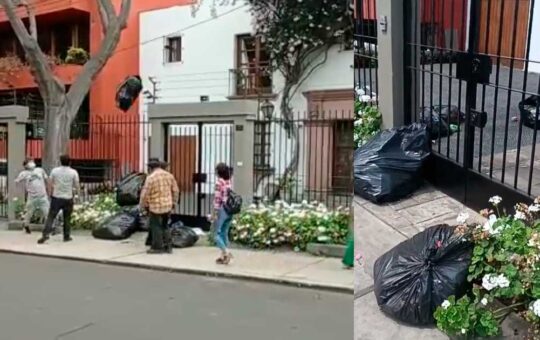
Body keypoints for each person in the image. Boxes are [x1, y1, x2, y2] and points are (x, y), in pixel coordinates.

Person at [139, 158, 179, 254]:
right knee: (165, 226)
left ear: (150, 168)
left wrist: (142, 205)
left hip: (155, 206)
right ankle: (168, 247)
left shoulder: (151, 177)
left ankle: (157, 247)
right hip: (167, 205)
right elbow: (176, 190)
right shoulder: (169, 175)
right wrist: (174, 202)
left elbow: (145, 194)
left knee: (156, 226)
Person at [38, 155, 80, 244]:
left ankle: (45, 234)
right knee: (67, 218)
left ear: (60, 161)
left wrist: (50, 193)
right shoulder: (73, 172)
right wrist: (77, 195)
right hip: (68, 198)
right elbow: (76, 185)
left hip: (56, 197)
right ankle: (66, 236)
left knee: (51, 216)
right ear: (70, 162)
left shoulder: (55, 171)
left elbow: (50, 183)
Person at [15, 158, 49, 234]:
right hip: (32, 197)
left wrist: (48, 189)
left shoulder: (40, 170)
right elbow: (17, 181)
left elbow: (46, 179)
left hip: (42, 196)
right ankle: (26, 226)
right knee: (29, 213)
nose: (32, 163)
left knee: (47, 212)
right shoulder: (23, 173)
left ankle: (49, 228)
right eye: (29, 162)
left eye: (32, 161)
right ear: (26, 165)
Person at [212, 163, 233, 265]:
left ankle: (226, 252)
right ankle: (223, 256)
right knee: (224, 232)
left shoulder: (219, 183)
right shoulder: (228, 181)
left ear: (218, 172)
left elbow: (217, 199)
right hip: (230, 210)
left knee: (215, 234)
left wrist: (215, 212)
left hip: (222, 209)